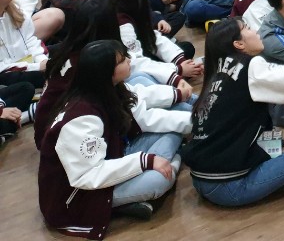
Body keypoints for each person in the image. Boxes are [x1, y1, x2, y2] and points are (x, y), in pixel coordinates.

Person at [38, 40, 191, 233]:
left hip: (114, 156)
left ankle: (168, 165)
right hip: (80, 195)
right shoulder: (81, 119)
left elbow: (141, 98)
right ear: (106, 71)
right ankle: (170, 165)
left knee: (171, 129)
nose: (129, 60)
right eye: (121, 60)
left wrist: (179, 95)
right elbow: (89, 176)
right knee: (158, 180)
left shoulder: (108, 88)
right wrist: (146, 161)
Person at [181, 18, 284, 206]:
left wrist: (280, 147)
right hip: (228, 187)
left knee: (278, 140)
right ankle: (281, 178)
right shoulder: (250, 65)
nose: (255, 30)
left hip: (200, 179)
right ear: (239, 44)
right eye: (248, 28)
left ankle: (281, 167)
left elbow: (246, 127)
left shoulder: (216, 73)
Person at [33, 0, 193, 150]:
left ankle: (197, 110)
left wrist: (176, 91)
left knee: (143, 80)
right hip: (68, 142)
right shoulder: (92, 65)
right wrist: (191, 115)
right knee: (172, 127)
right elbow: (138, 115)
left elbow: (132, 86)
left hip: (55, 134)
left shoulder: (74, 52)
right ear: (109, 27)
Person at [103, 0, 202, 83]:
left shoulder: (125, 6)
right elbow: (134, 63)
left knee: (185, 50)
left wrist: (180, 62)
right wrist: (178, 69)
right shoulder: (121, 21)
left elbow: (151, 36)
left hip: (139, 55)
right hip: (129, 72)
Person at [0, 0, 48, 94]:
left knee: (64, 52)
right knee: (31, 83)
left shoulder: (15, 10)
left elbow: (30, 39)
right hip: (8, 72)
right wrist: (37, 67)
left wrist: (42, 60)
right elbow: (2, 67)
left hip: (26, 63)